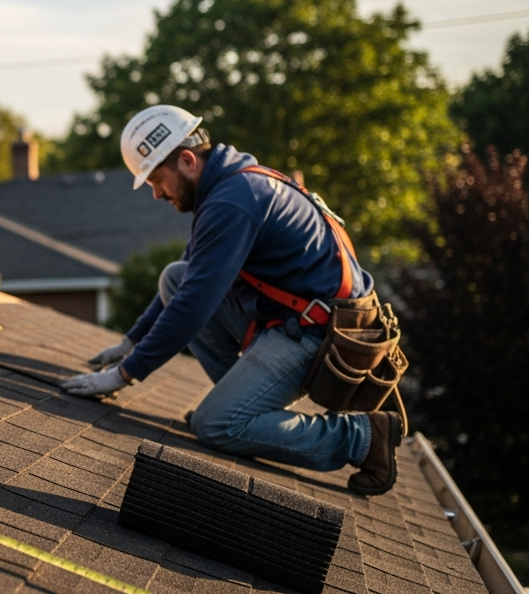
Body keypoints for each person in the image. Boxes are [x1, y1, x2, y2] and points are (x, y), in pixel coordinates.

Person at [59, 105, 402, 495]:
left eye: (157, 179)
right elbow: (189, 277)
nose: (155, 193)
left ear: (187, 160)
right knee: (174, 277)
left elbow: (194, 305)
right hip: (302, 321)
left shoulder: (232, 200)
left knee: (215, 425)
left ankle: (362, 437)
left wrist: (124, 374)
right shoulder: (230, 185)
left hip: (319, 334)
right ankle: (241, 403)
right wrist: (131, 342)